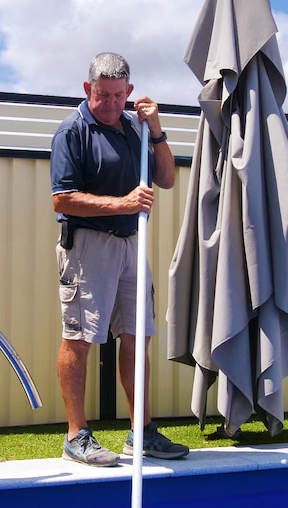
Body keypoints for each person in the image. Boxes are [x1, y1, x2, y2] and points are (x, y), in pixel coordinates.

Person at [49, 52, 189, 467]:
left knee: (137, 335)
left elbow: (165, 178)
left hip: (132, 244)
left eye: (118, 96)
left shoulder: (136, 128)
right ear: (87, 89)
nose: (111, 104)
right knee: (80, 337)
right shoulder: (72, 131)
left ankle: (140, 432)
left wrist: (158, 130)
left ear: (129, 92)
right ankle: (76, 436)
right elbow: (62, 198)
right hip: (88, 245)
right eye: (103, 95)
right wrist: (122, 202)